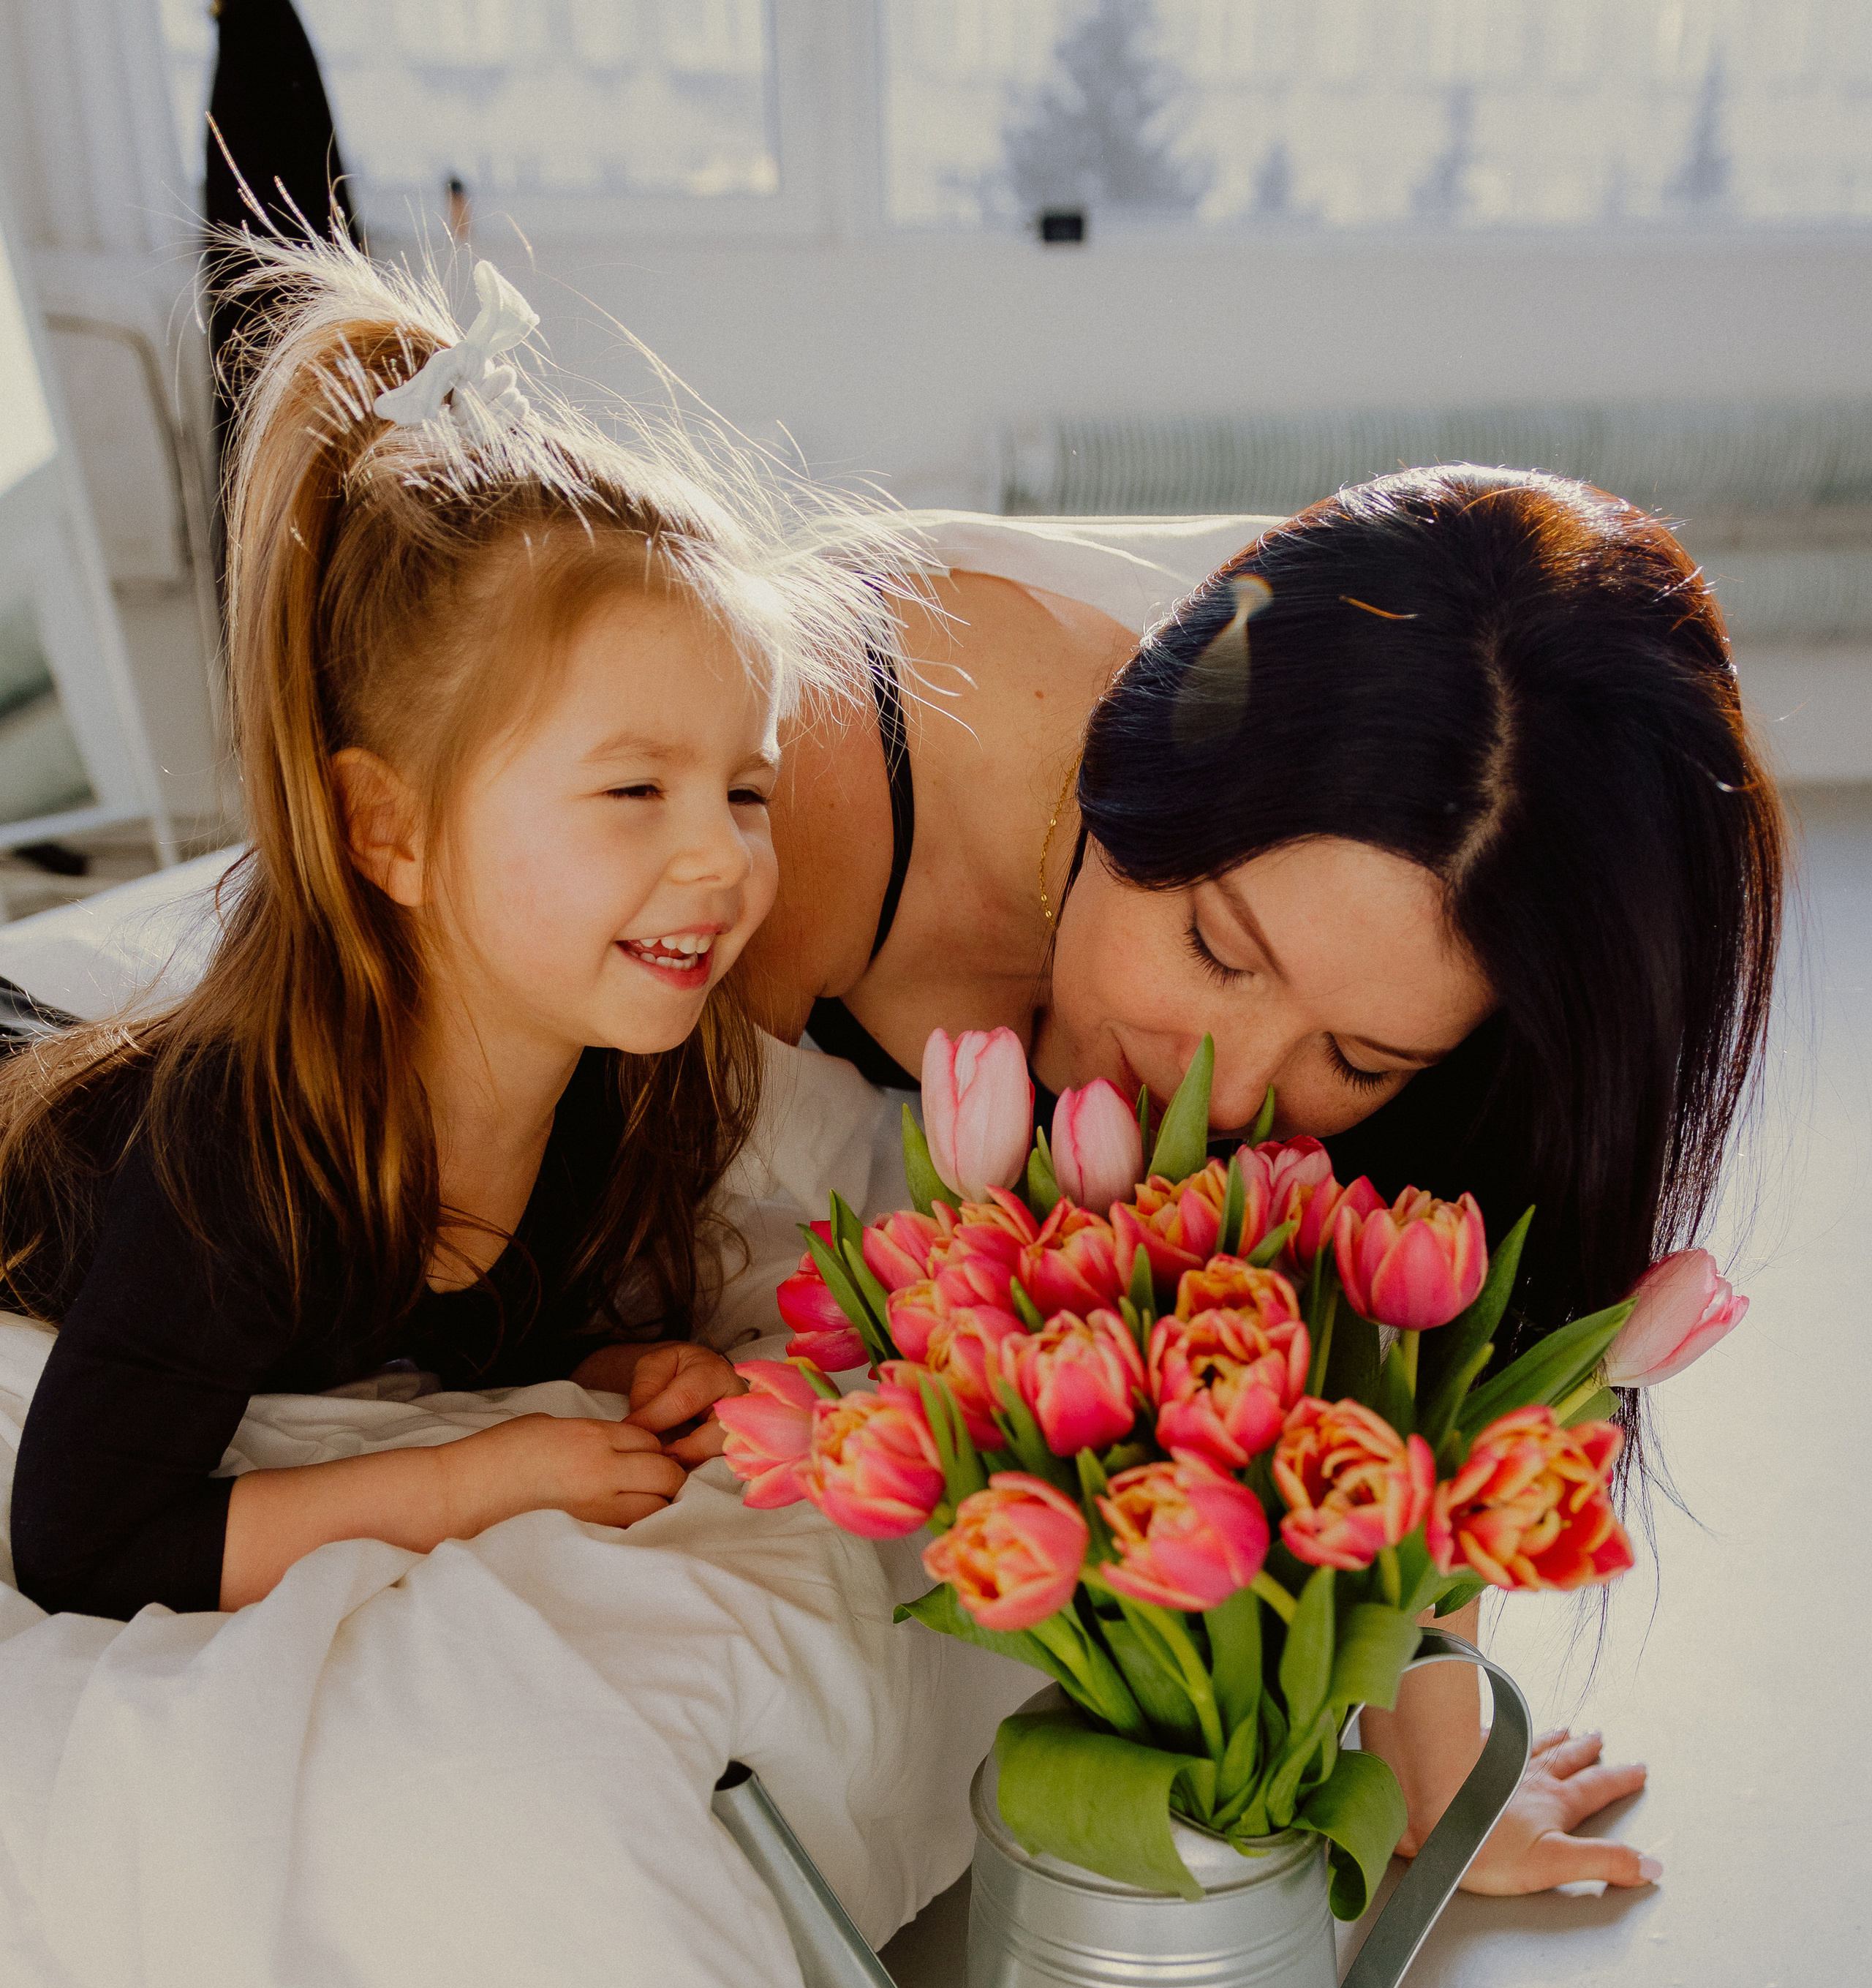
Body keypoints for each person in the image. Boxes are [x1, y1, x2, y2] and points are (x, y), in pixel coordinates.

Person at [745, 472, 1786, 1894]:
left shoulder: (1448, 855)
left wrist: (1435, 1768)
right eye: (1218, 953)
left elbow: (1406, 1319)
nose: (1225, 1096)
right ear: (1144, 769)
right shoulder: (815, 776)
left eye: (1355, 1056)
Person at [0, 240, 883, 1622]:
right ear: (389, 833)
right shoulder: (250, 1140)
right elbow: (83, 1542)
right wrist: (470, 1482)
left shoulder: (603, 1074)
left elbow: (462, 1322)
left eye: (747, 788)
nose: (723, 853)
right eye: (636, 789)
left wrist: (610, 1374)